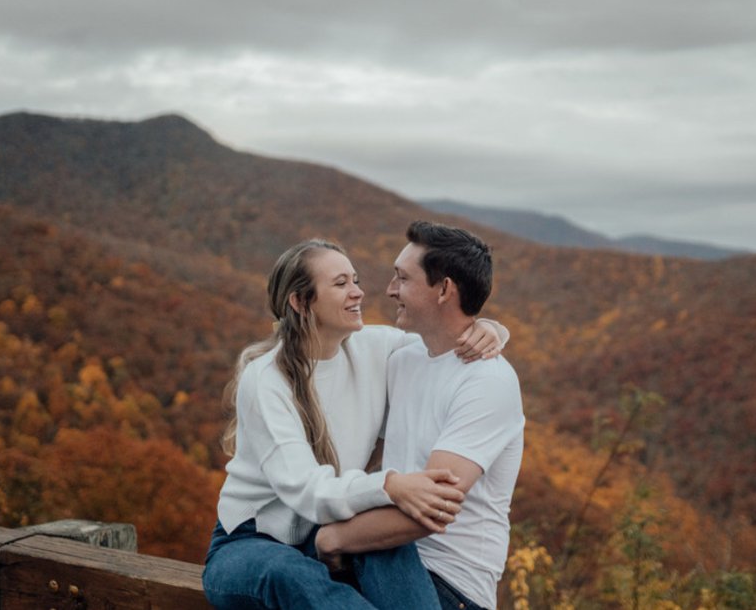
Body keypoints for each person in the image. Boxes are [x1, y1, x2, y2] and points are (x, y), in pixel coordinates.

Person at [201, 238, 508, 609]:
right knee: (289, 573)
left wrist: (489, 329)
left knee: (383, 537)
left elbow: (441, 337)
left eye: (355, 280)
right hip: (252, 542)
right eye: (340, 283)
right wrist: (389, 485)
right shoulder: (266, 379)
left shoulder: (376, 348)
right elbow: (308, 492)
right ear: (300, 302)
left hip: (326, 533)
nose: (358, 292)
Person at [315, 222, 524, 610]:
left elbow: (433, 508)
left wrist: (334, 538)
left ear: (444, 290)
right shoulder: (403, 359)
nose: (390, 289)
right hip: (378, 553)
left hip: (446, 584)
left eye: (403, 278)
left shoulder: (487, 382)